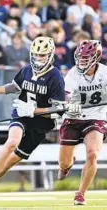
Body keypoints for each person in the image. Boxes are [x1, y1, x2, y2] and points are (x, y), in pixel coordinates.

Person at [0, 36, 66, 206]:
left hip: (42, 124)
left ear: (50, 55)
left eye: (42, 55)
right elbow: (14, 87)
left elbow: (59, 109)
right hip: (21, 113)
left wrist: (34, 111)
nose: (38, 58)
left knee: (10, 161)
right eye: (35, 54)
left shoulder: (55, 76)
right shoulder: (27, 70)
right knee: (12, 142)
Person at [58, 40, 106, 205]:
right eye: (80, 58)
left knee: (93, 153)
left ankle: (81, 193)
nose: (81, 62)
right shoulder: (73, 73)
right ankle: (67, 166)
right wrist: (69, 105)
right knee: (64, 162)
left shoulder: (105, 73)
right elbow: (66, 94)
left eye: (86, 58)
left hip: (95, 117)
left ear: (96, 57)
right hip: (73, 118)